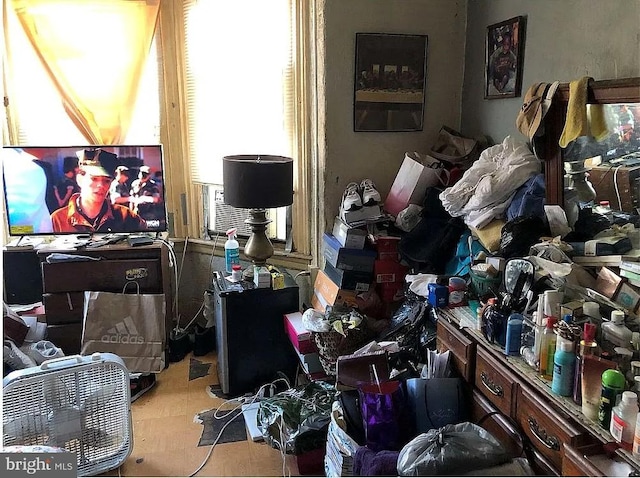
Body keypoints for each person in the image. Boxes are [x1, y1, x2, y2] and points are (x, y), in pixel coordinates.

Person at [50, 149, 147, 233]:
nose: (101, 185)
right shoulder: (57, 220)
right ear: (79, 180)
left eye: (106, 181)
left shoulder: (127, 217)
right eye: (94, 179)